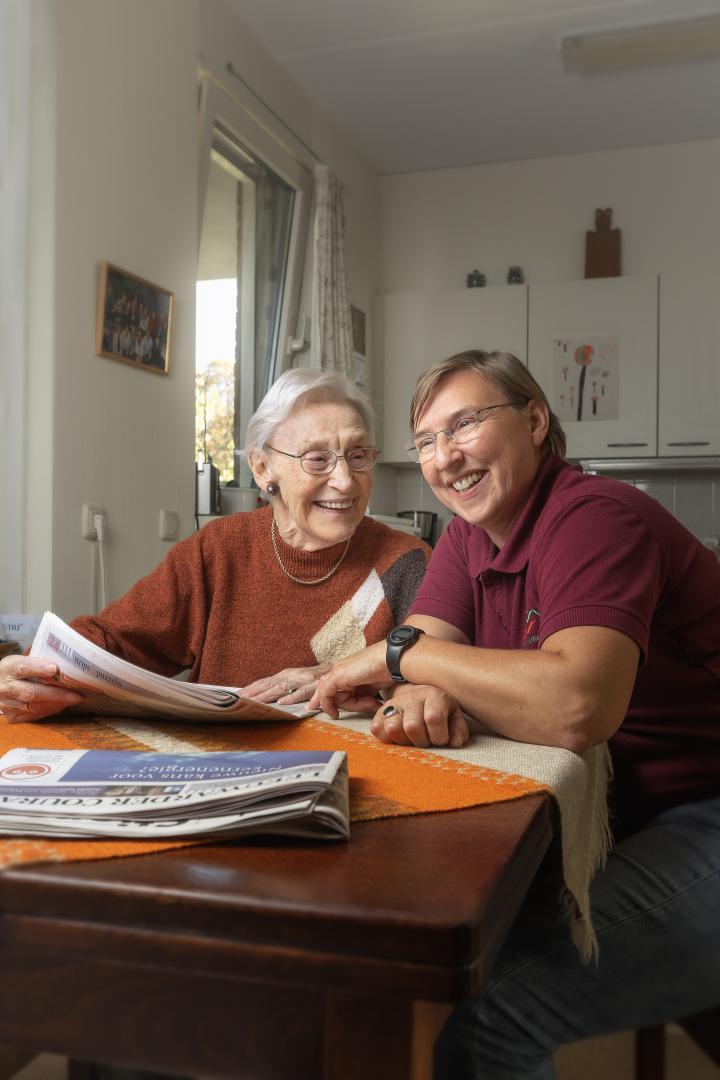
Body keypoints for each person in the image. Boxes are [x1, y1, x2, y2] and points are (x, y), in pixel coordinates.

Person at [310, 349, 720, 1079]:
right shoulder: (469, 538)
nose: (445, 457)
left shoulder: (595, 517)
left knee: (492, 1007)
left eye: (465, 423)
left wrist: (404, 660)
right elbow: (417, 663)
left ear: (536, 421)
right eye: (428, 440)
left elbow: (574, 707)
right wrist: (417, 684)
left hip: (701, 811)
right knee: (454, 938)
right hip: (627, 814)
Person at [0, 368, 430, 722]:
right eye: (317, 459)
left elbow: (445, 679)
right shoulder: (219, 549)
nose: (344, 480)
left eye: (358, 456)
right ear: (263, 468)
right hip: (216, 767)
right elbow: (113, 640)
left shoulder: (406, 562)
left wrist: (344, 675)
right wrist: (31, 666)